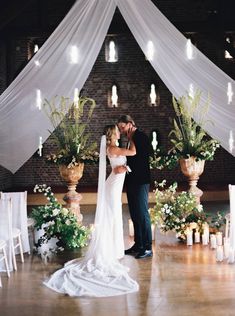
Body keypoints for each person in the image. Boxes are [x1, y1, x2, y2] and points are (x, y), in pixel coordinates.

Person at [44, 125, 139, 297]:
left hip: (115, 184)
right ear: (113, 134)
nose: (120, 132)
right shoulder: (113, 147)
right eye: (118, 131)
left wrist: (121, 168)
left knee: (114, 215)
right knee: (112, 216)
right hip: (113, 186)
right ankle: (110, 250)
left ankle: (113, 249)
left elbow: (116, 167)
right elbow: (132, 153)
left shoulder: (113, 148)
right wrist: (132, 137)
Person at [117, 115, 152, 259]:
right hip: (131, 181)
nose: (121, 130)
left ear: (130, 124)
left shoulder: (141, 136)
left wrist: (128, 166)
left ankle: (148, 247)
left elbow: (143, 158)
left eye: (123, 127)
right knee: (135, 213)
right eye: (120, 128)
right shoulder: (130, 139)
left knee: (142, 214)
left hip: (141, 180)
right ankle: (138, 244)